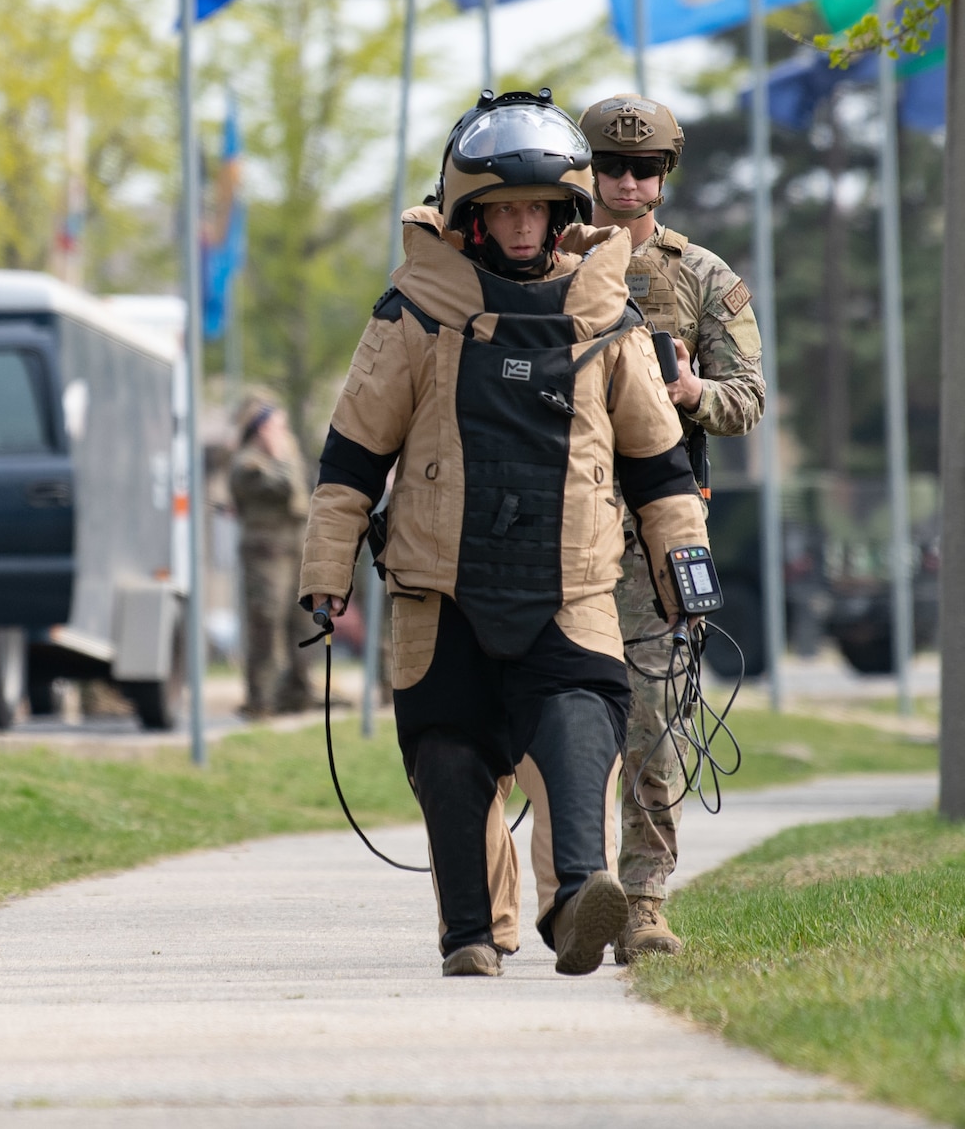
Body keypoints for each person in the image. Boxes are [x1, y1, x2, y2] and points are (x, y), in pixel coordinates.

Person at [300, 88, 710, 978]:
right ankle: (469, 935)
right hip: (438, 589)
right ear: (469, 217)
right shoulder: (413, 313)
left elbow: (660, 471)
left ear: (563, 214)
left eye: (537, 209)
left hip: (571, 587)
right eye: (503, 210)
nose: (523, 227)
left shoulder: (610, 319)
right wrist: (324, 575)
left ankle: (577, 896)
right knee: (448, 750)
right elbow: (351, 460)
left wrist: (689, 579)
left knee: (577, 728)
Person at [575, 94, 766, 963]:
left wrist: (691, 394)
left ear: (664, 175)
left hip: (658, 522)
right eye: (610, 167)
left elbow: (749, 398)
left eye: (643, 169)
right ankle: (569, 890)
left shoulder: (703, 277)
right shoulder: (550, 259)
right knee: (563, 713)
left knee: (652, 714)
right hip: (562, 520)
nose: (625, 182)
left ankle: (645, 899)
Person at [230, 389, 313, 717]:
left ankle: (297, 691)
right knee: (266, 621)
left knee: (302, 621)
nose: (283, 433)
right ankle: (261, 698)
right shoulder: (249, 463)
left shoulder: (285, 455)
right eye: (276, 426)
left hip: (294, 547)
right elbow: (284, 487)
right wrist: (278, 455)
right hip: (267, 553)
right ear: (261, 429)